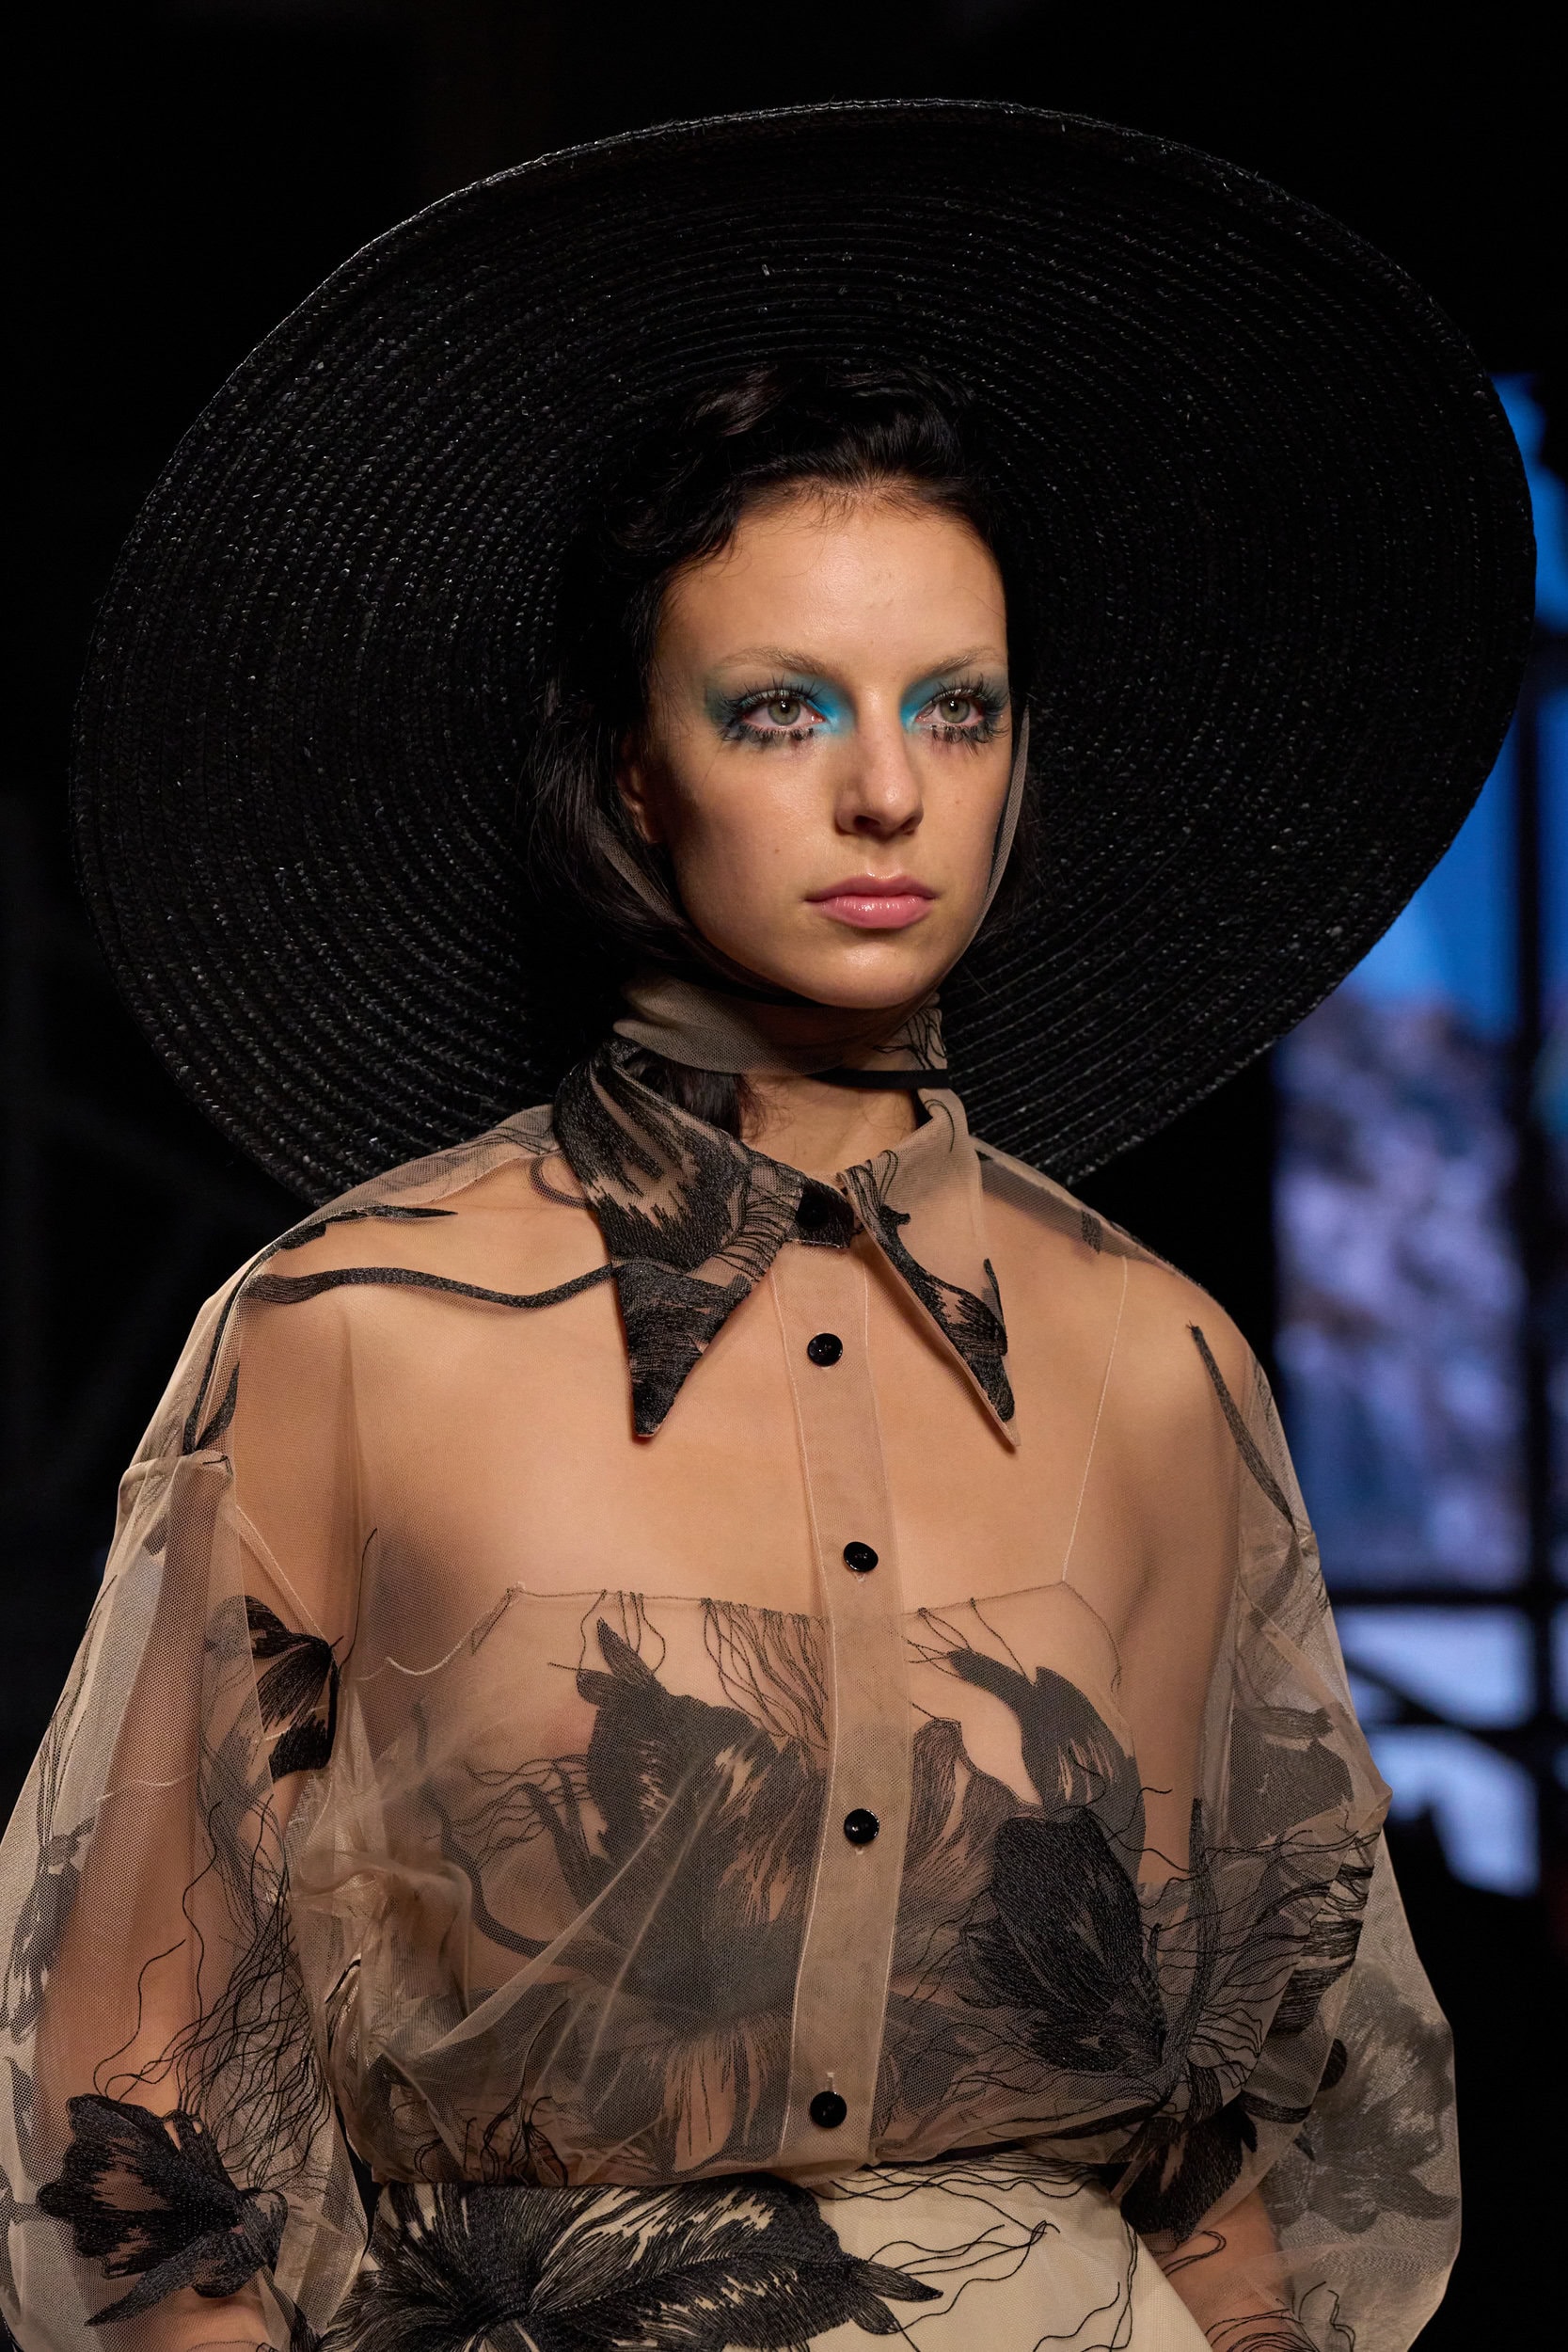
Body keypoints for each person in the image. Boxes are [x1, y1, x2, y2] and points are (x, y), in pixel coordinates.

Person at [0, 102, 1532, 2352]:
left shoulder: (1153, 1363)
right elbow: (130, 2093)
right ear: (637, 771)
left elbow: (1237, 2126)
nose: (887, 789)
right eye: (781, 707)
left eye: (956, 708)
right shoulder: (356, 1336)